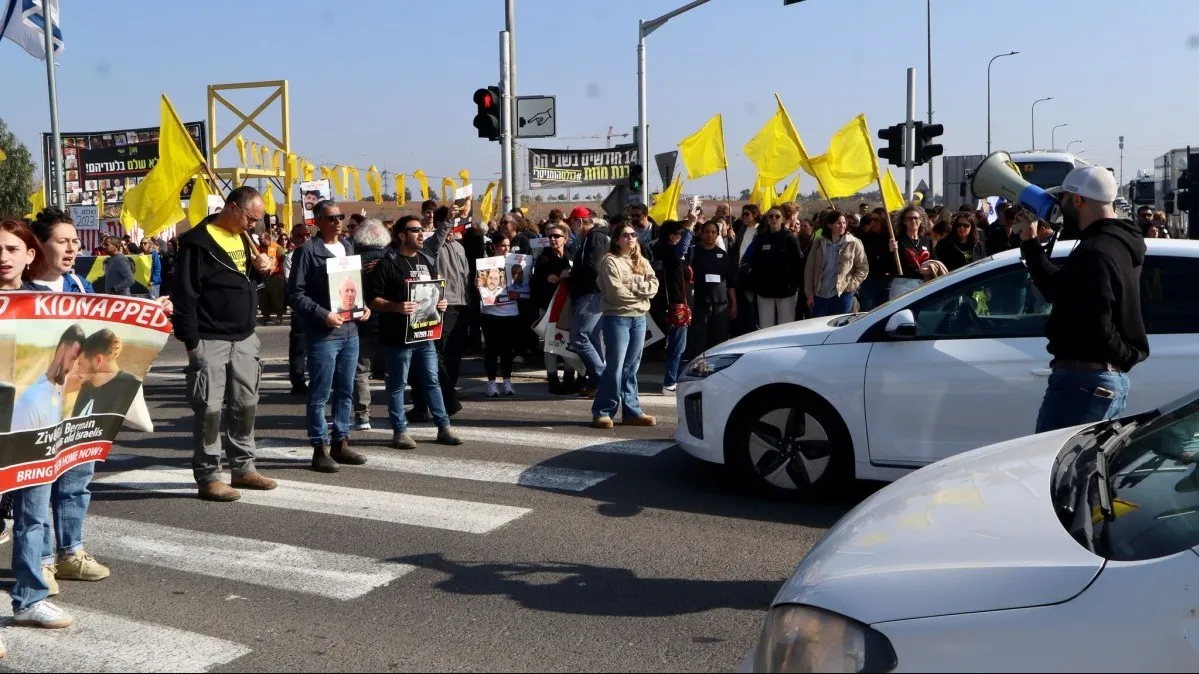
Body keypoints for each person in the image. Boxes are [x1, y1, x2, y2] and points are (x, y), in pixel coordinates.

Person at [1019, 166, 1148, 433]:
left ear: (1078, 200)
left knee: (1056, 467)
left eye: (1064, 199)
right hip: (1096, 379)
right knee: (1079, 469)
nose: (1060, 207)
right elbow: (1061, 290)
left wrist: (1119, 357)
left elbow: (1097, 323)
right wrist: (1030, 243)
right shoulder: (1119, 242)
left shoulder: (1094, 251)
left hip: (1084, 381)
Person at [172, 187, 278, 502]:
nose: (253, 226)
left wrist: (261, 272)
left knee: (246, 405)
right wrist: (191, 343)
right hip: (209, 338)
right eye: (250, 218)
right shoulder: (197, 243)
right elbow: (185, 296)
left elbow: (246, 284)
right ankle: (208, 476)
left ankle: (243, 468)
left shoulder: (243, 240)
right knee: (209, 410)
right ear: (232, 208)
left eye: (257, 220)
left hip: (244, 338)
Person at [0, 220, 69, 636]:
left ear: (30, 256)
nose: (3, 257)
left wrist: (152, 313)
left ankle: (29, 599)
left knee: (32, 516)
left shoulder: (48, 303)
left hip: (34, 427)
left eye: (12, 249)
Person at [287, 200, 370, 473]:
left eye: (340, 216)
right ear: (317, 221)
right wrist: (322, 313)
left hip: (350, 330)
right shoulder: (307, 252)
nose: (337, 221)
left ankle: (341, 442)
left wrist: (362, 305)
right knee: (320, 393)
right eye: (331, 217)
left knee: (346, 390)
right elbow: (295, 294)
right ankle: (319, 447)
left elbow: (353, 285)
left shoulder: (347, 246)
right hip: (324, 333)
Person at [367, 216, 463, 449]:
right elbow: (373, 300)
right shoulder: (388, 264)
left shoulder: (425, 260)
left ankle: (443, 427)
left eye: (422, 230)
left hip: (424, 333)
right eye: (415, 230)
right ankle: (399, 431)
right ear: (401, 235)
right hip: (398, 337)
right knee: (398, 385)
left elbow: (432, 291)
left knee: (432, 380)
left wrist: (440, 302)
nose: (421, 234)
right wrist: (395, 307)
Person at [591, 222, 659, 429]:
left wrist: (634, 287)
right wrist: (641, 294)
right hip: (618, 318)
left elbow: (654, 285)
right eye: (626, 235)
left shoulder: (641, 261)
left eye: (633, 235)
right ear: (617, 240)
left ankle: (632, 411)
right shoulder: (610, 262)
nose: (631, 238)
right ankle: (603, 411)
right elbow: (615, 293)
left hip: (639, 318)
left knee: (632, 366)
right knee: (615, 366)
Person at [351, 219, 391, 430]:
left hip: (362, 321)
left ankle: (362, 416)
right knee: (392, 370)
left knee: (361, 371)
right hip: (388, 321)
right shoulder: (392, 258)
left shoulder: (353, 259)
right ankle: (396, 412)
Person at [530, 221, 576, 394]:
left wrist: (569, 274)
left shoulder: (571, 256)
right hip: (548, 307)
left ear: (565, 238)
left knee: (568, 341)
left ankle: (570, 377)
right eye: (550, 236)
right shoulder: (543, 258)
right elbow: (533, 282)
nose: (553, 239)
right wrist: (545, 279)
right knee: (550, 343)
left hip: (568, 306)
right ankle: (553, 378)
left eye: (557, 236)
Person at [568, 215, 610, 398]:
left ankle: (602, 376)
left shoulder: (595, 237)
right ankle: (596, 382)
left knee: (579, 336)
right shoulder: (591, 238)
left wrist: (571, 274)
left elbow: (593, 268)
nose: (572, 228)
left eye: (573, 223)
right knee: (592, 338)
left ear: (580, 222)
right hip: (591, 293)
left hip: (591, 293)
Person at [803, 210, 869, 318]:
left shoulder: (854, 243)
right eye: (838, 223)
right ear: (829, 225)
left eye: (844, 223)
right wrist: (809, 294)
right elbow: (809, 270)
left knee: (840, 327)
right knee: (820, 328)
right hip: (820, 295)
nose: (842, 226)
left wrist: (850, 286)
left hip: (842, 295)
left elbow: (863, 268)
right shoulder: (819, 242)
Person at [651, 220, 692, 393]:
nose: (682, 238)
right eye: (679, 235)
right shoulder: (669, 253)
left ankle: (675, 377)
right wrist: (690, 227)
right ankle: (669, 383)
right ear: (672, 236)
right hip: (676, 307)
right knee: (677, 346)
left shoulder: (671, 254)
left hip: (679, 305)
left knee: (678, 346)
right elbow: (681, 249)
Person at [687, 219, 737, 358]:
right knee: (699, 338)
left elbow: (731, 282)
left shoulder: (724, 255)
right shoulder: (692, 252)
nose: (710, 235)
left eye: (714, 232)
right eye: (707, 232)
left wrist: (734, 304)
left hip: (721, 304)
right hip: (700, 303)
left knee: (720, 338)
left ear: (718, 235)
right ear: (701, 233)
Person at [480, 234, 523, 397]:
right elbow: (482, 293)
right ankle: (491, 383)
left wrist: (519, 293)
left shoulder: (517, 263)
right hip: (491, 313)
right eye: (502, 246)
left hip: (511, 313)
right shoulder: (486, 265)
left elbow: (523, 288)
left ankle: (507, 382)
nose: (506, 249)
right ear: (495, 247)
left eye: (508, 246)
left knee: (507, 350)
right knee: (491, 350)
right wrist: (479, 286)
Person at [747, 207, 804, 328]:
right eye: (771, 216)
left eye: (777, 216)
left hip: (786, 293)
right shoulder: (760, 239)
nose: (774, 219)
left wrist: (794, 286)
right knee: (766, 329)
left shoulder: (790, 239)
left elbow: (798, 265)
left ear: (782, 219)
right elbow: (755, 264)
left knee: (785, 329)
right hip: (765, 292)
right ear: (767, 220)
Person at [284, 223, 311, 395]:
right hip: (301, 309)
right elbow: (291, 283)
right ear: (293, 238)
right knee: (299, 348)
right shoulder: (291, 257)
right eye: (300, 235)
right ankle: (298, 381)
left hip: (319, 308)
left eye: (307, 234)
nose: (304, 238)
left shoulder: (316, 253)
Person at [887, 205, 935, 299]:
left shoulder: (927, 241)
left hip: (923, 283)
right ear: (904, 221)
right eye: (909, 218)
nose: (913, 221)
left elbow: (934, 261)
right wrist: (891, 251)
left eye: (916, 218)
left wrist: (929, 269)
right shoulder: (897, 240)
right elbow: (889, 267)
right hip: (902, 284)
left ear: (921, 220)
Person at [858, 208, 895, 311]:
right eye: (871, 220)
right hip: (869, 281)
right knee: (867, 312)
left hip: (888, 281)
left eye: (876, 220)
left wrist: (892, 250)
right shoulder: (866, 238)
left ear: (884, 220)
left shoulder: (893, 238)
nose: (873, 223)